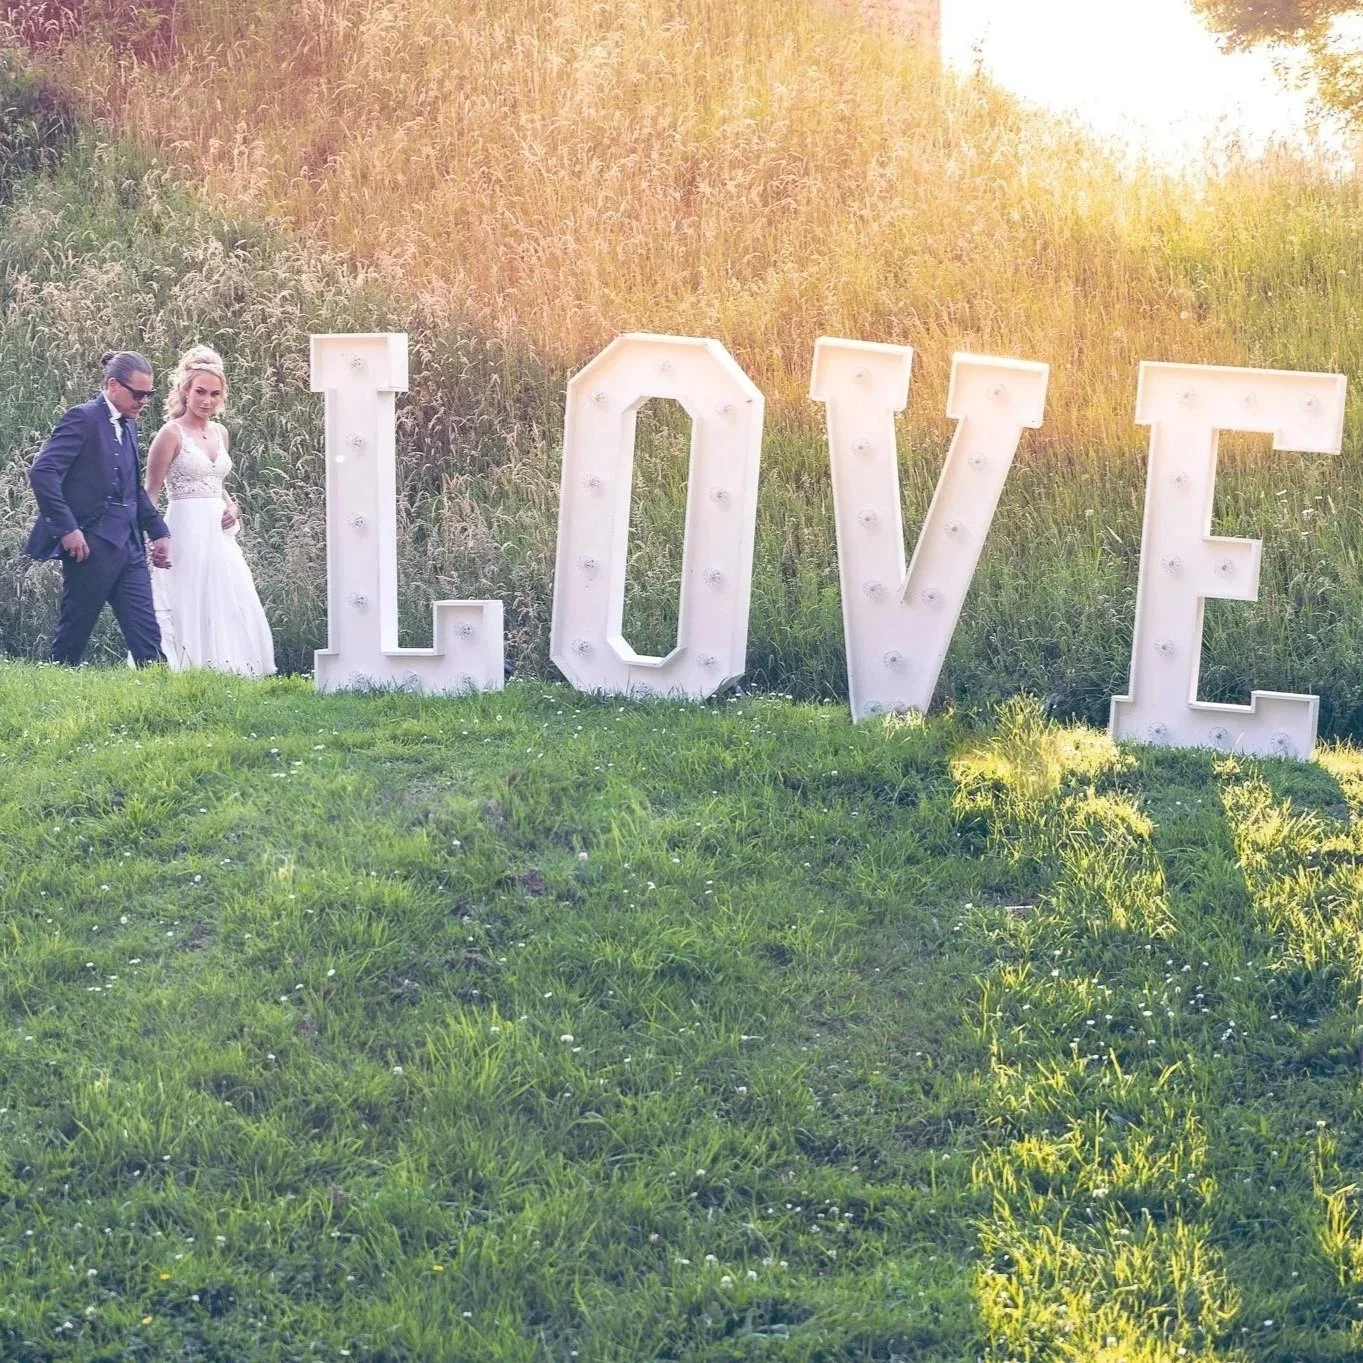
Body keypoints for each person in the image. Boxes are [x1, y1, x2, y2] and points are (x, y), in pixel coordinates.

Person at [26, 351, 172, 665]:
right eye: (138, 394)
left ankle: (161, 704)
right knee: (71, 639)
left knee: (148, 641)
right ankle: (52, 692)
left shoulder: (131, 425)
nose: (144, 401)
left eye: (149, 394)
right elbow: (43, 472)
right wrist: (67, 528)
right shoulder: (83, 418)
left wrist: (158, 531)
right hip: (90, 547)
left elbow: (133, 488)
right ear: (113, 385)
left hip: (130, 546)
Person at [144, 345, 276, 677]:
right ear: (185, 391)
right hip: (184, 530)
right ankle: (186, 670)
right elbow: (150, 493)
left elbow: (215, 482)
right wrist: (154, 538)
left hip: (218, 533)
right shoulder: (170, 434)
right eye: (200, 392)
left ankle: (231, 671)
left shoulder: (220, 433)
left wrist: (232, 506)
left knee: (229, 595)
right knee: (187, 597)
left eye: (215, 394)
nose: (207, 400)